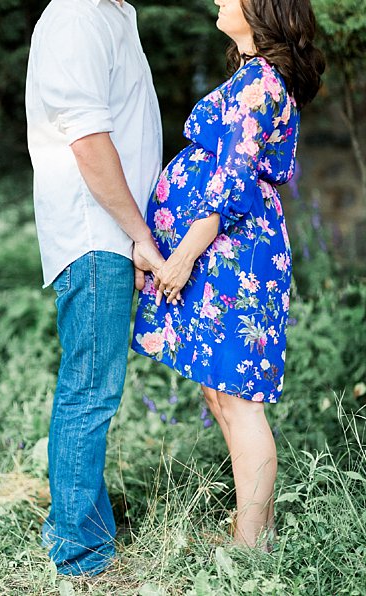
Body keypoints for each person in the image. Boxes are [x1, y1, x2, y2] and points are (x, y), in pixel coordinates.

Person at [132, 0, 324, 548]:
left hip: (231, 252)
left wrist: (183, 254)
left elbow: (231, 183)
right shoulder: (250, 74)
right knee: (220, 395)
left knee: (238, 398)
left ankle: (249, 543)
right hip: (224, 250)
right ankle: (254, 530)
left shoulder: (260, 81)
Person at [26, 0, 166, 575]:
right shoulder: (77, 16)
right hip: (94, 235)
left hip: (113, 234)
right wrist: (141, 236)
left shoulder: (114, 12)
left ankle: (78, 522)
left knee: (95, 386)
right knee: (90, 389)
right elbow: (87, 142)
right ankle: (80, 551)